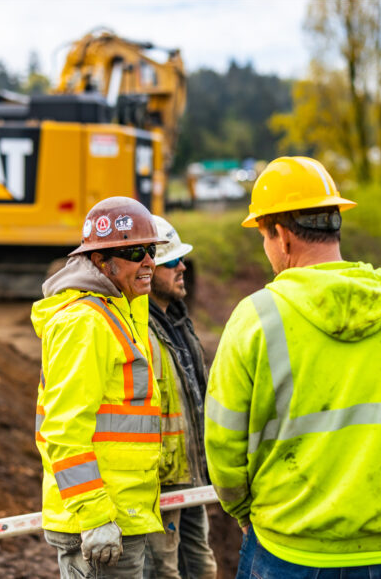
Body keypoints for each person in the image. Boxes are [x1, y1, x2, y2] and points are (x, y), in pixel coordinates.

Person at [205, 157, 381, 579]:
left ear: (280, 236)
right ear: (336, 222)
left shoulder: (257, 317)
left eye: (263, 236)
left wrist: (241, 509)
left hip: (290, 547)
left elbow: (223, 440)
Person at [32, 196, 167, 578]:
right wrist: (94, 516)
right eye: (134, 250)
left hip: (122, 518)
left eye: (151, 250)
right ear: (100, 261)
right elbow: (63, 428)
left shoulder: (121, 309)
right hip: (99, 525)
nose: (149, 262)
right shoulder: (85, 322)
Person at [143, 216, 217, 579]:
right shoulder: (137, 331)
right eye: (171, 261)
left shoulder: (177, 322)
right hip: (158, 487)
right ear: (148, 269)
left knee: (202, 569)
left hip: (191, 477)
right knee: (164, 573)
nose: (182, 267)